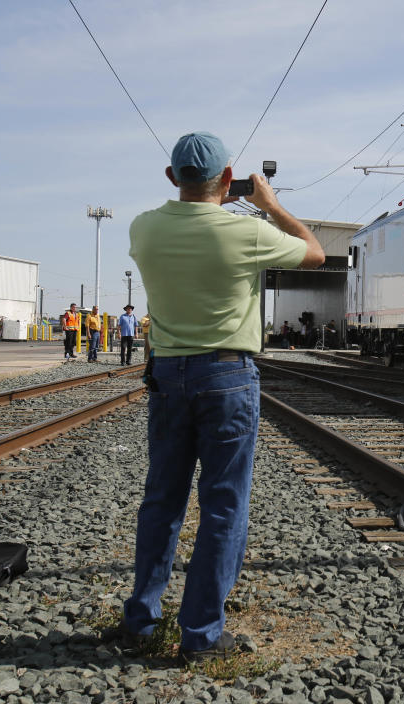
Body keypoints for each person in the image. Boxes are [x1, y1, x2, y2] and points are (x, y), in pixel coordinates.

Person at [120, 132, 324, 663]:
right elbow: (315, 252)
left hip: (167, 375)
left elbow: (189, 215)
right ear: (229, 180)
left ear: (171, 178)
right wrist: (269, 203)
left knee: (161, 499)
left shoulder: (143, 229)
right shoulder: (245, 234)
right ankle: (201, 637)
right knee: (222, 505)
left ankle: (141, 621)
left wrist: (220, 197)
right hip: (227, 377)